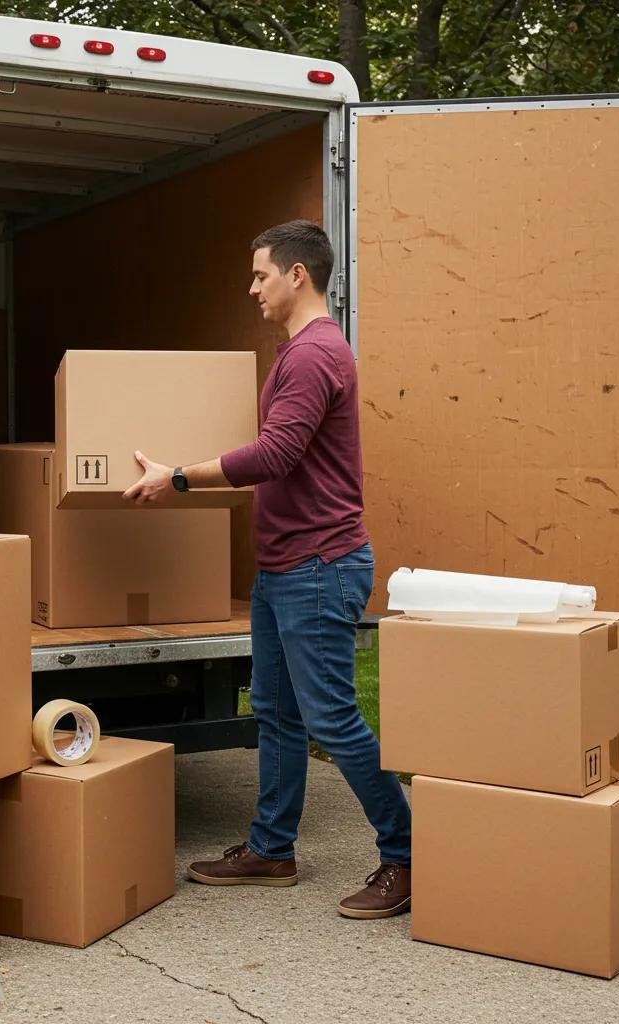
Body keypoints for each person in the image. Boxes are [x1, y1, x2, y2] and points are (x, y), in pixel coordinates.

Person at [122, 219, 412, 919]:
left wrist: (180, 478)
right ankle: (272, 849)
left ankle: (407, 856)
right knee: (276, 712)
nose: (251, 287)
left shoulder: (314, 356)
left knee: (331, 718)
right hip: (286, 566)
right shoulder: (300, 352)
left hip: (318, 565)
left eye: (259, 275)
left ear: (296, 276)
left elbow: (277, 453)